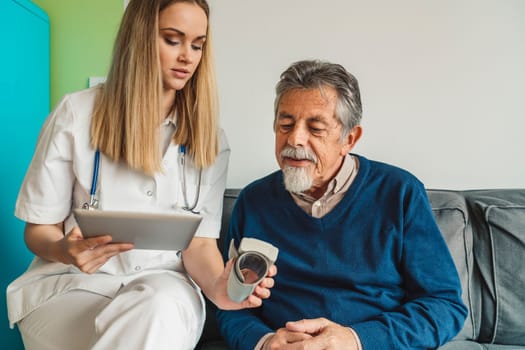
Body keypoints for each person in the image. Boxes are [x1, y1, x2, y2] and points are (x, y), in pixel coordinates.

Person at [6, 1, 274, 349]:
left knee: (157, 309)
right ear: (140, 38)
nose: (187, 57)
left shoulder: (209, 139)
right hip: (73, 287)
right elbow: (38, 230)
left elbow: (199, 244)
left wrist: (220, 287)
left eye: (197, 44)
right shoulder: (76, 114)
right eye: (172, 39)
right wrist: (64, 250)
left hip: (163, 287)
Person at [216, 59, 468, 349]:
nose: (295, 139)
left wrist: (356, 339)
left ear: (349, 138)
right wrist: (264, 342)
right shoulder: (254, 201)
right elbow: (229, 303)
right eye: (285, 124)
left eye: (315, 128)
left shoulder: (400, 193)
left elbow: (444, 306)